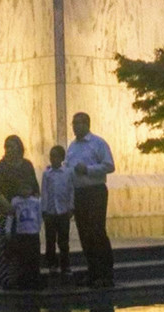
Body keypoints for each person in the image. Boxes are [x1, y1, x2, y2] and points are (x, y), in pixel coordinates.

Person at [66, 112, 115, 288]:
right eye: (73, 123)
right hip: (79, 193)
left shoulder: (98, 143)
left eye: (78, 123)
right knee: (84, 233)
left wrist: (87, 169)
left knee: (97, 231)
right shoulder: (71, 147)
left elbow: (109, 166)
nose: (75, 126)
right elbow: (70, 172)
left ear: (87, 124)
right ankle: (93, 271)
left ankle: (106, 273)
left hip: (95, 191)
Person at [0, 134, 39, 288]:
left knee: (24, 245)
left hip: (24, 212)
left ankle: (25, 277)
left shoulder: (27, 165)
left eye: (12, 146)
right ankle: (6, 278)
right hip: (5, 211)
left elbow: (34, 187)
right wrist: (6, 205)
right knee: (4, 244)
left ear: (19, 147)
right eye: (7, 146)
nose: (9, 149)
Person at [40, 144, 74, 277]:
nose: (52, 158)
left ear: (61, 158)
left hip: (64, 211)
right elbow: (44, 192)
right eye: (51, 156)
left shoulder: (67, 173)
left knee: (64, 241)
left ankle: (65, 265)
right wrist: (44, 210)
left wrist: (72, 207)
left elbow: (71, 190)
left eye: (55, 156)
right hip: (50, 212)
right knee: (50, 240)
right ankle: (52, 264)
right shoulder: (46, 174)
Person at [8, 179, 44, 289]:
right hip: (21, 233)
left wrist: (38, 227)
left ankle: (35, 280)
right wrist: (8, 230)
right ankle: (22, 280)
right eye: (22, 188)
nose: (25, 191)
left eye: (27, 188)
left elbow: (40, 215)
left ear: (31, 190)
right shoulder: (15, 201)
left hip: (33, 233)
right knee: (22, 257)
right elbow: (10, 216)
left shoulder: (36, 201)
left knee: (34, 257)